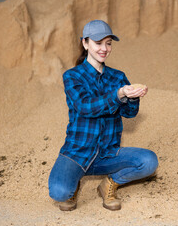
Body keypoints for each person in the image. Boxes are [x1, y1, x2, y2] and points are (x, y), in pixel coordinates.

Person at [48, 20, 158, 211]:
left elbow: (130, 114)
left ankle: (109, 184)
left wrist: (133, 97)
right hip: (77, 153)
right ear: (85, 43)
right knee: (59, 193)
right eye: (98, 43)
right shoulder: (72, 76)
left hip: (108, 154)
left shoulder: (118, 77)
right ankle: (73, 183)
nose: (104, 48)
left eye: (108, 43)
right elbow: (85, 107)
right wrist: (118, 95)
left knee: (149, 162)